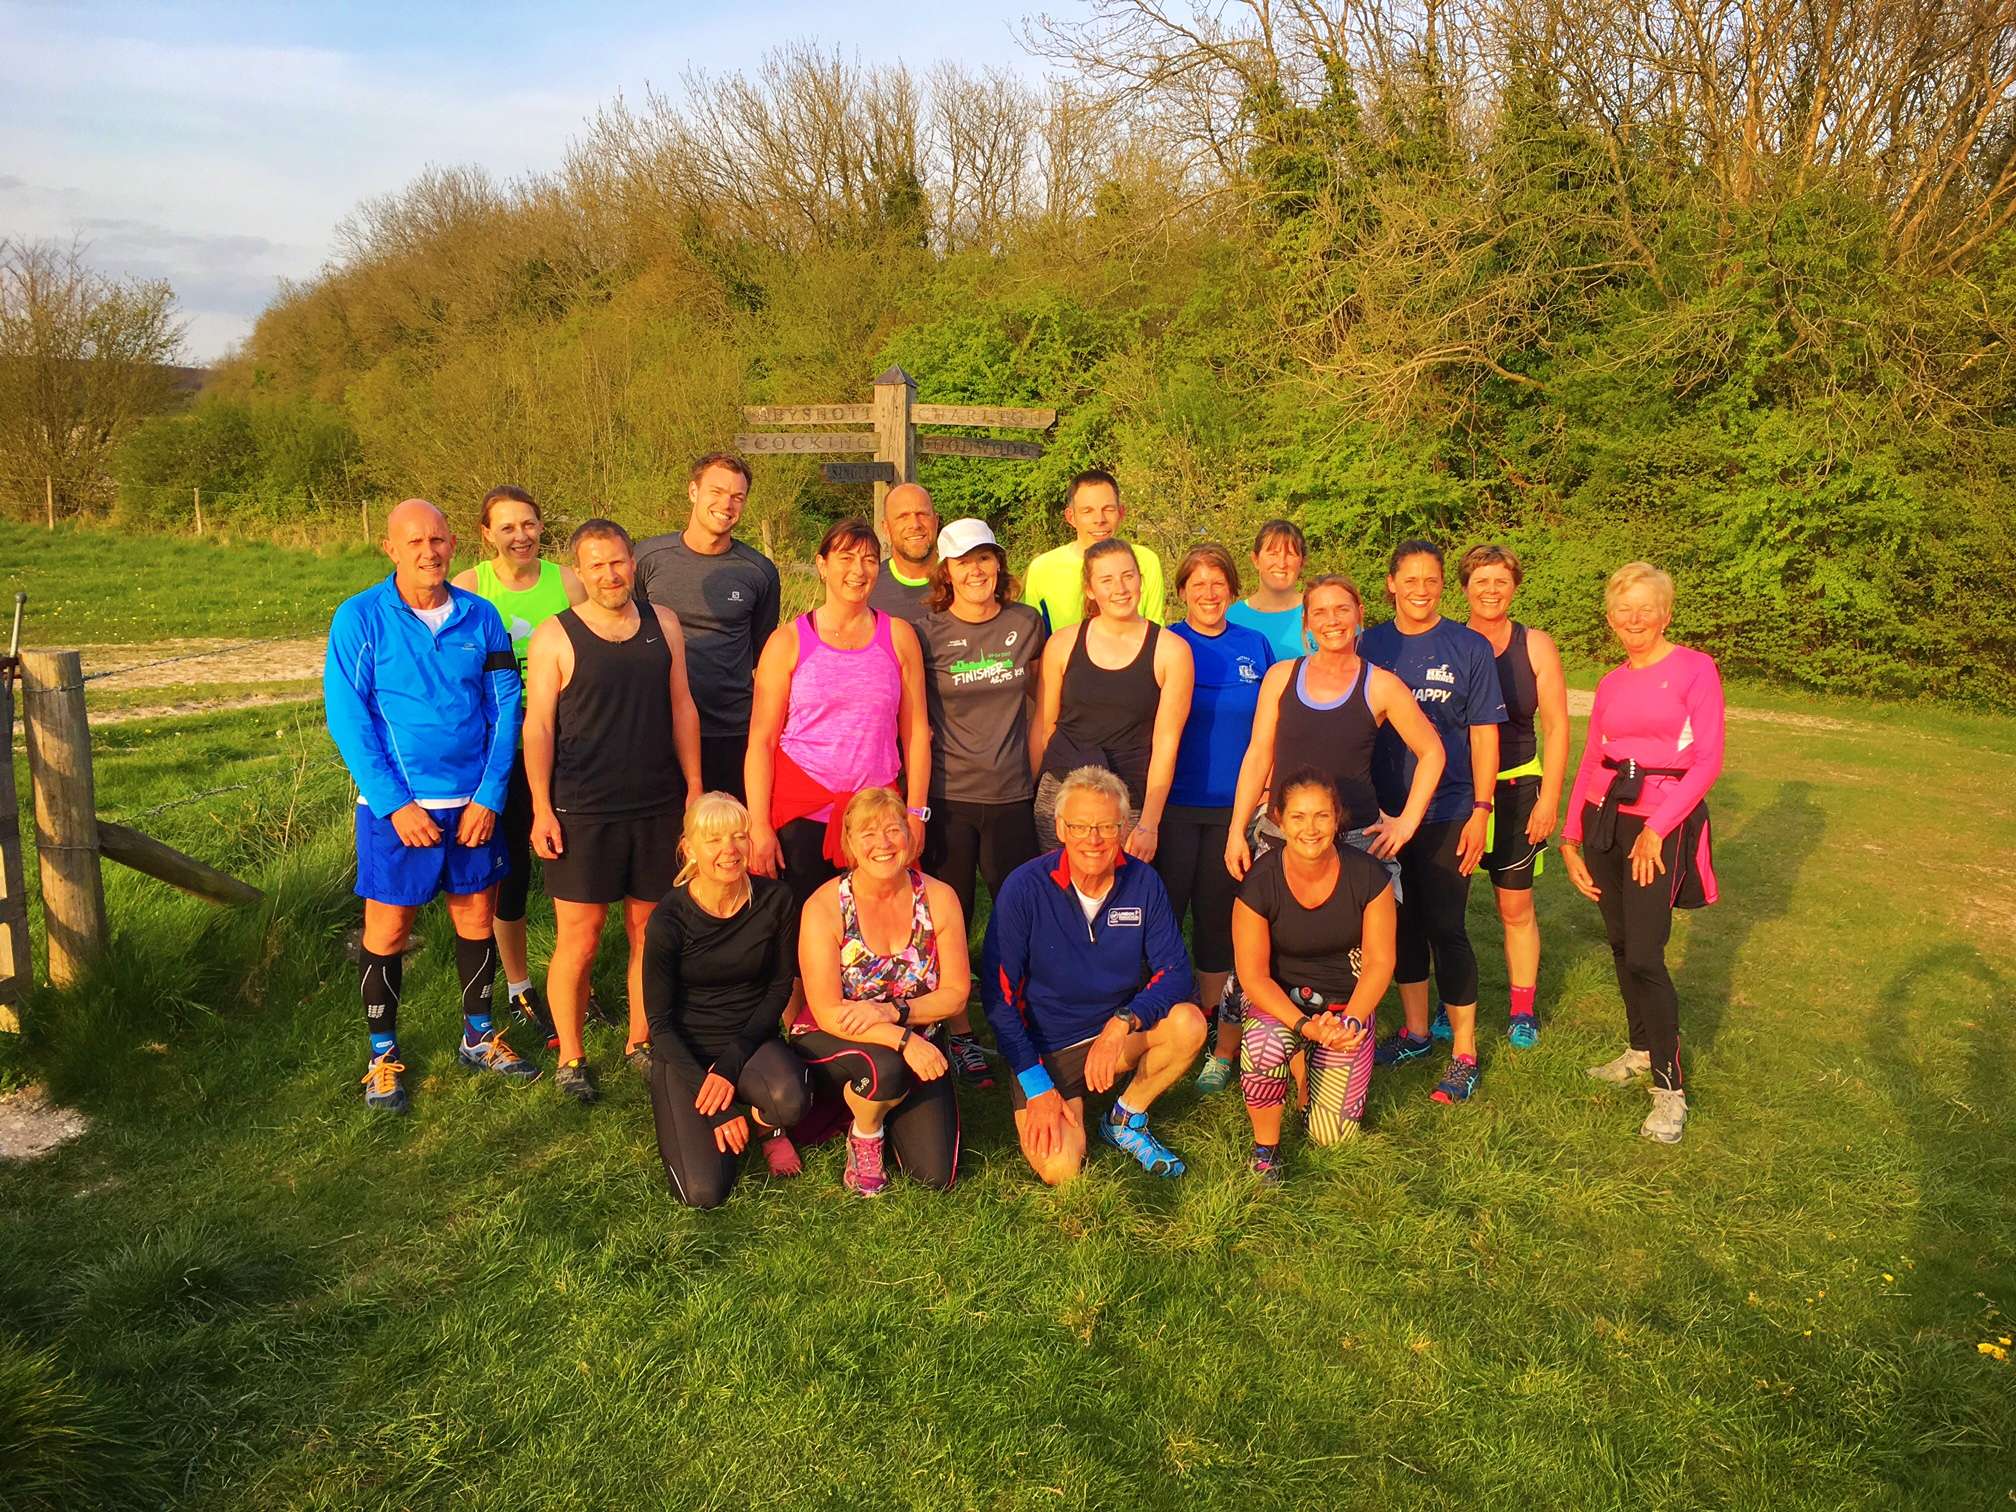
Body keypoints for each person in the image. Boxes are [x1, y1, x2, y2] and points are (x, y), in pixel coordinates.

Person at [325, 497, 535, 1113]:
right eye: (414, 541)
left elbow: (506, 708)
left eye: (438, 539)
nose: (428, 552)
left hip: (473, 806)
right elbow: (347, 716)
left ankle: (478, 1036)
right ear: (390, 548)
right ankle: (382, 1056)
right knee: (389, 928)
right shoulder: (360, 618)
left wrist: (490, 796)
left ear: (453, 544)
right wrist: (395, 805)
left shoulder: (481, 616)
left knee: (476, 919)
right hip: (398, 811)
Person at [1208, 575, 1443, 1093]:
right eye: (1320, 612)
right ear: (1307, 624)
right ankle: (1226, 1050)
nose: (1332, 621)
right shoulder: (1281, 677)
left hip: (1353, 840)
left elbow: (1432, 751)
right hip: (1281, 834)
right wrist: (1236, 830)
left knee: (1351, 959)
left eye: (1342, 609)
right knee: (1258, 951)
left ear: (1359, 614)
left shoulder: (1381, 685)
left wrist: (1405, 822)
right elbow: (1258, 754)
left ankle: (1333, 1044)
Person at [524, 519, 703, 1104]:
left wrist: (695, 789)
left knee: (649, 932)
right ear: (579, 570)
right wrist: (541, 807)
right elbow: (539, 726)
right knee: (581, 938)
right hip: (582, 809)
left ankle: (640, 1041)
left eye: (618, 561)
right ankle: (571, 1057)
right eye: (596, 565)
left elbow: (682, 706)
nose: (609, 574)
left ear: (633, 562)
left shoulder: (664, 623)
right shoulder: (555, 635)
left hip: (657, 805)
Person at [1560, 562, 1724, 1145]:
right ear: (1610, 618)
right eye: (1623, 610)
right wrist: (1571, 837)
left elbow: (1707, 760)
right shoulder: (1610, 682)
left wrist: (1657, 826)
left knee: (1647, 955)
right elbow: (1592, 759)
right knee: (1622, 943)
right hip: (1606, 820)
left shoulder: (1695, 669)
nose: (1634, 620)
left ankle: (1670, 1091)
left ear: (1665, 614)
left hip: (1662, 824)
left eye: (1645, 609)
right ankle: (1638, 1050)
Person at [981, 766, 1208, 1183]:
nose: (1094, 839)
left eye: (1106, 826)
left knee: (1189, 1024)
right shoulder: (1024, 887)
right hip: (1046, 1047)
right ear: (1060, 828)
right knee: (1061, 1169)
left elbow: (1175, 971)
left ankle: (1125, 1117)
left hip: (1113, 1035)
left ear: (1124, 828)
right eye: (1081, 826)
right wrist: (1037, 1084)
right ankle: (1061, 1097)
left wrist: (1123, 1022)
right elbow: (999, 999)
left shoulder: (1143, 882)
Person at [1359, 541, 1505, 1105]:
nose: (1421, 590)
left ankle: (1464, 1053)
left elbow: (1484, 735)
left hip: (1447, 808)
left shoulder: (1468, 647)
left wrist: (1481, 809)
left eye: (1432, 580)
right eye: (1411, 579)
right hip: (1382, 813)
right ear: (1391, 583)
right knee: (1401, 925)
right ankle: (1416, 1032)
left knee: (1446, 925)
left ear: (1443, 585)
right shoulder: (1370, 644)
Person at [450, 486, 586, 1044]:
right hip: (499, 744)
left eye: (528, 524)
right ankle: (518, 984)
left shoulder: (568, 582)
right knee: (511, 868)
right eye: (507, 527)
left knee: (573, 863)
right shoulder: (469, 586)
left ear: (541, 526)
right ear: (487, 534)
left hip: (563, 737)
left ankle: (574, 977)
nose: (521, 536)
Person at [745, 517, 933, 921]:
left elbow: (917, 732)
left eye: (869, 560)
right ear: (822, 564)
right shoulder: (788, 641)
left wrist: (916, 813)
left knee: (876, 928)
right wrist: (759, 825)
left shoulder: (899, 637)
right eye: (846, 558)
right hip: (802, 814)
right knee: (803, 933)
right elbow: (761, 740)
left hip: (877, 817)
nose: (858, 570)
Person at [915, 517, 1046, 1087]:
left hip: (1013, 794)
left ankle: (1023, 1019)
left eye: (985, 558)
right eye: (964, 561)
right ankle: (960, 1032)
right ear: (946, 572)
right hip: (949, 797)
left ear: (998, 563)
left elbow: (1044, 699)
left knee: (1021, 914)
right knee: (951, 917)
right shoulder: (924, 632)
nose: (977, 570)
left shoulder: (1026, 622)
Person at [793, 788, 970, 1195]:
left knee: (934, 1176)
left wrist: (893, 1013)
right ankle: (866, 1131)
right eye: (868, 833)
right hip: (835, 1033)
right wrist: (903, 1040)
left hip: (914, 1033)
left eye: (893, 830)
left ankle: (884, 1106)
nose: (883, 843)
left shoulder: (939, 898)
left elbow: (957, 994)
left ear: (908, 836)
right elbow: (827, 1010)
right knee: (885, 1067)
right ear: (849, 843)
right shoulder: (825, 906)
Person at [644, 794, 810, 1207]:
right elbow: (659, 1023)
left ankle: (765, 1124)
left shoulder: (776, 899)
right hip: (685, 1051)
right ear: (689, 848)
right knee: (703, 1193)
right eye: (714, 839)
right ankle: (722, 1112)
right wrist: (715, 1105)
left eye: (738, 836)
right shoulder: (668, 919)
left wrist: (730, 1066)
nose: (729, 850)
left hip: (750, 1040)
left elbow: (779, 987)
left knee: (791, 1101)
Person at [1232, 769, 1397, 1180]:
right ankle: (1266, 1149)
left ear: (1337, 817)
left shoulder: (1369, 876)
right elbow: (1254, 975)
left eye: (1322, 816)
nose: (1311, 828)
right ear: (1279, 820)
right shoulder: (1259, 882)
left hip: (1344, 1007)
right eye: (1299, 817)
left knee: (1330, 1136)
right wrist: (1305, 1027)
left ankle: (1310, 1064)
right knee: (1266, 1044)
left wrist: (1352, 1021)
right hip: (1281, 1001)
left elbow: (1379, 963)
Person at [1159, 543, 1270, 1073]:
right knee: (1163, 917)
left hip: (1234, 811)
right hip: (1172, 806)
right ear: (1182, 591)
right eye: (1197, 584)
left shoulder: (1254, 644)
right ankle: (1159, 1020)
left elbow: (1270, 723)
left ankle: (1211, 1026)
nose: (1208, 593)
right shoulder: (1166, 642)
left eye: (1218, 583)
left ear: (1232, 589)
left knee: (1217, 921)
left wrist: (1267, 782)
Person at [1458, 544, 1569, 1049]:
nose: (1491, 590)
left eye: (1501, 581)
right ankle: (1450, 1000)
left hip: (1519, 784)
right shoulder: (1451, 642)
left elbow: (1558, 726)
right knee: (1449, 908)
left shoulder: (1535, 645)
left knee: (1515, 906)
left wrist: (1550, 798)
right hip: (1460, 789)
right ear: (1465, 588)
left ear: (1514, 587)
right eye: (1481, 581)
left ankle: (1522, 1009)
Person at [1032, 538, 1194, 855]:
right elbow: (1043, 726)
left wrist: (1149, 823)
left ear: (1140, 580)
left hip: (1128, 801)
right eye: (1106, 580)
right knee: (1059, 884)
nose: (1120, 588)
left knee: (1121, 886)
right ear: (1090, 589)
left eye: (1128, 576)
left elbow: (1166, 743)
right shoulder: (1062, 644)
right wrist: (1032, 791)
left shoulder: (1172, 651)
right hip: (1062, 795)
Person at [633, 454, 780, 799]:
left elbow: (761, 652)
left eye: (737, 496)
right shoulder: (647, 558)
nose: (726, 504)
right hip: (659, 728)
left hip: (731, 731)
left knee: (729, 830)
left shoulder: (759, 572)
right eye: (717, 491)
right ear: (693, 491)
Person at [1022, 469, 1167, 631]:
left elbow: (1156, 632)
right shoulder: (1043, 569)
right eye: (1087, 511)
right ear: (1071, 517)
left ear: (1121, 512)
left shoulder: (1145, 561)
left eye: (1108, 509)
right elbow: (1033, 635)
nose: (1099, 520)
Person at [1225, 518, 1309, 663]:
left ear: (1302, 562)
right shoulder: (1231, 618)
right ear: (1255, 559)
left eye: (1290, 554)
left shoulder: (1320, 612)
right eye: (1273, 554)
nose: (1281, 563)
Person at [867, 482, 940, 626]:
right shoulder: (868, 588)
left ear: (936, 521)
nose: (915, 524)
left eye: (922, 514)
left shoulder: (963, 580)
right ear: (886, 528)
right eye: (903, 517)